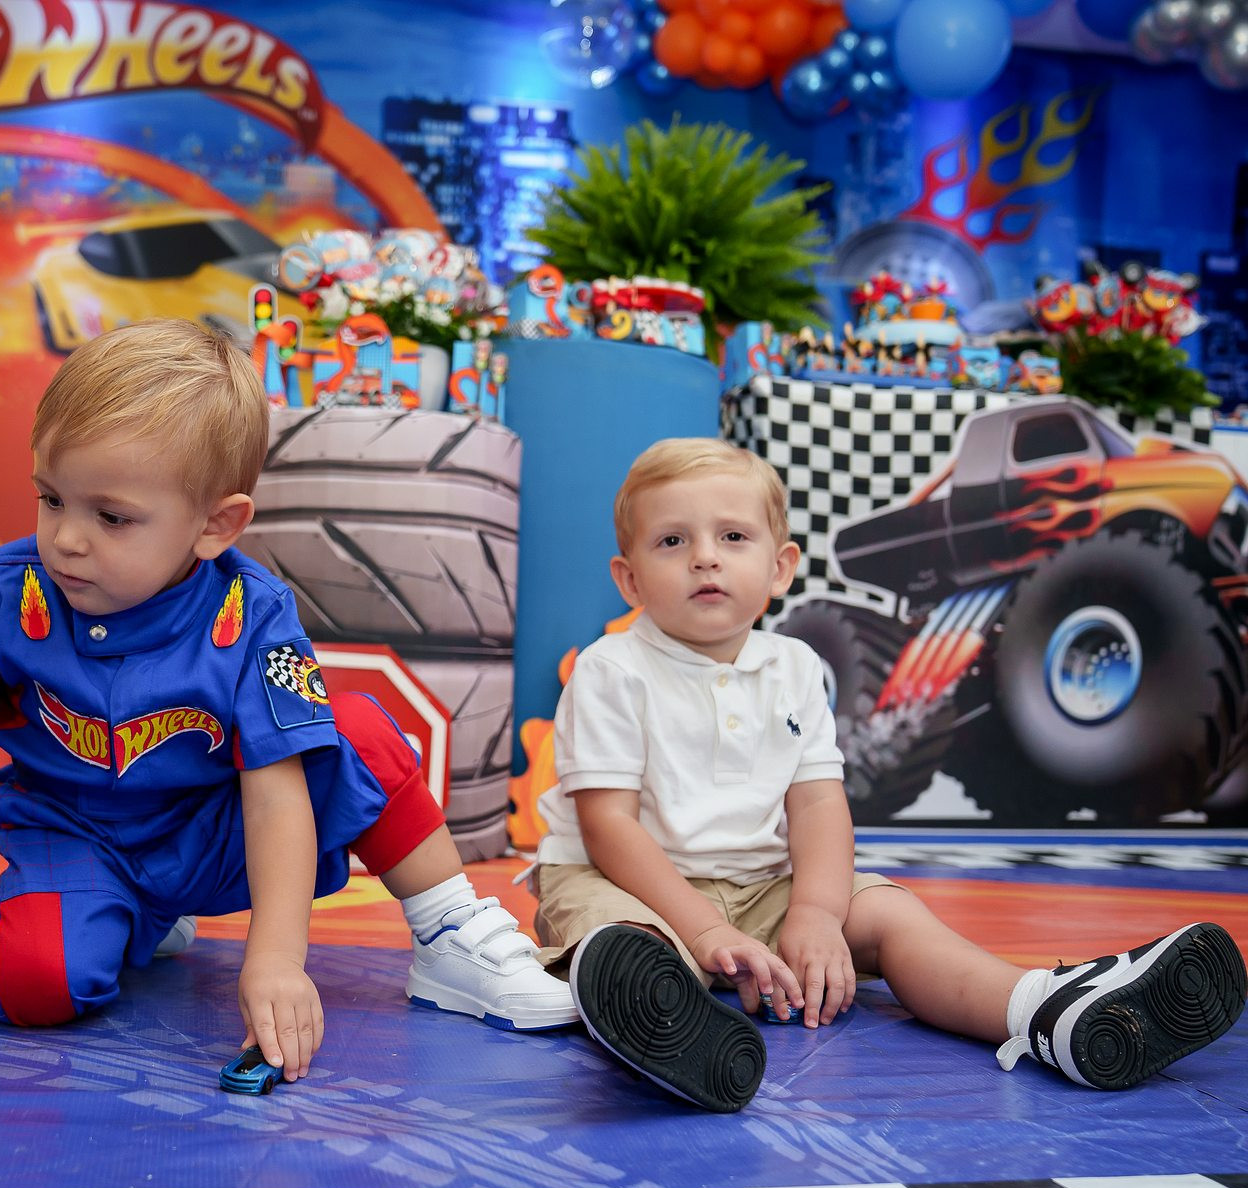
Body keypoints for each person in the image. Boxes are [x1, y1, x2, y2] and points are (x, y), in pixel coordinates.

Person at [0, 319, 574, 1083]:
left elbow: (276, 792)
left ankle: (450, 934)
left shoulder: (253, 614)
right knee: (29, 987)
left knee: (355, 735)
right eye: (51, 499)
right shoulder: (3, 593)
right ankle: (131, 921)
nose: (67, 539)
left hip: (214, 838)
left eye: (111, 517)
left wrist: (275, 959)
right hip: (78, 837)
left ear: (215, 525)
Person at [529, 436, 1246, 1112]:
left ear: (780, 568)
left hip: (758, 885)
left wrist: (815, 914)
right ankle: (671, 1027)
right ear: (629, 578)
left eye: (733, 537)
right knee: (625, 940)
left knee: (892, 915)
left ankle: (1040, 1010)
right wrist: (703, 931)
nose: (705, 559)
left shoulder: (795, 667)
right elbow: (608, 826)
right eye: (672, 541)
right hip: (624, 880)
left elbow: (818, 805)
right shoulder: (612, 669)